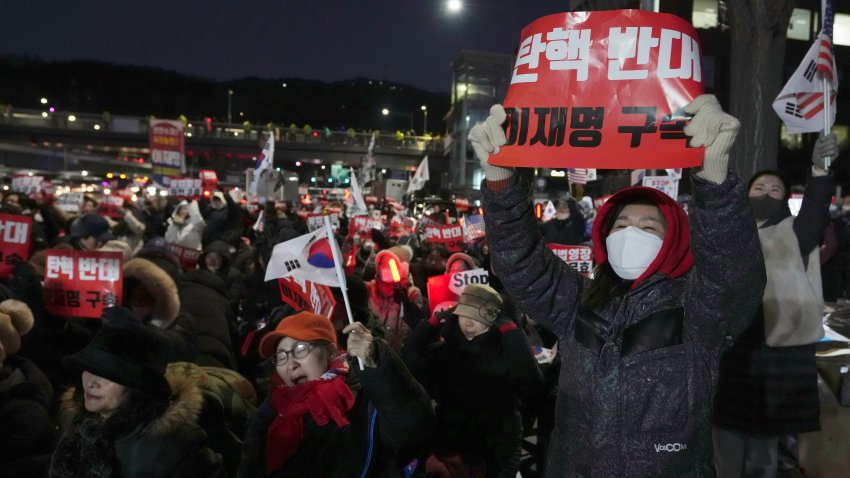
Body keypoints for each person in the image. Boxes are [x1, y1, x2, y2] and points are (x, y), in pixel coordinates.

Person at [467, 95, 766, 476]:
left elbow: (733, 275)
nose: (631, 234)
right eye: (622, 225)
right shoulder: (579, 300)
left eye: (648, 227)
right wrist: (500, 181)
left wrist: (714, 180)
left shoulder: (698, 310)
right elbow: (521, 261)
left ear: (672, 240)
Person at [712, 133, 840, 477]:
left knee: (763, 449)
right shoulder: (728, 235)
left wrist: (818, 169)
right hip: (731, 351)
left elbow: (815, 207)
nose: (766, 193)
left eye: (774, 190)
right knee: (726, 438)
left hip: (778, 354)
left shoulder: (796, 232)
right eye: (758, 188)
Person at [237, 311, 434, 477]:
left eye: (300, 349)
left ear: (331, 352)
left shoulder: (359, 395)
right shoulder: (273, 408)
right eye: (281, 356)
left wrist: (378, 363)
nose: (291, 363)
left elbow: (412, 428)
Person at [50, 307, 226, 478]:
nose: (91, 382)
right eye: (89, 368)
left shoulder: (177, 444)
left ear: (137, 387)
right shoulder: (76, 422)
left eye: (108, 376)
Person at [403, 284, 542, 477]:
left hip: (497, 448)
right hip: (452, 447)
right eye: (464, 315)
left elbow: (531, 381)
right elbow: (411, 361)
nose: (469, 323)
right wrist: (432, 322)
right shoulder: (444, 352)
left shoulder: (505, 354)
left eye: (478, 318)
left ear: (494, 322)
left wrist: (512, 331)